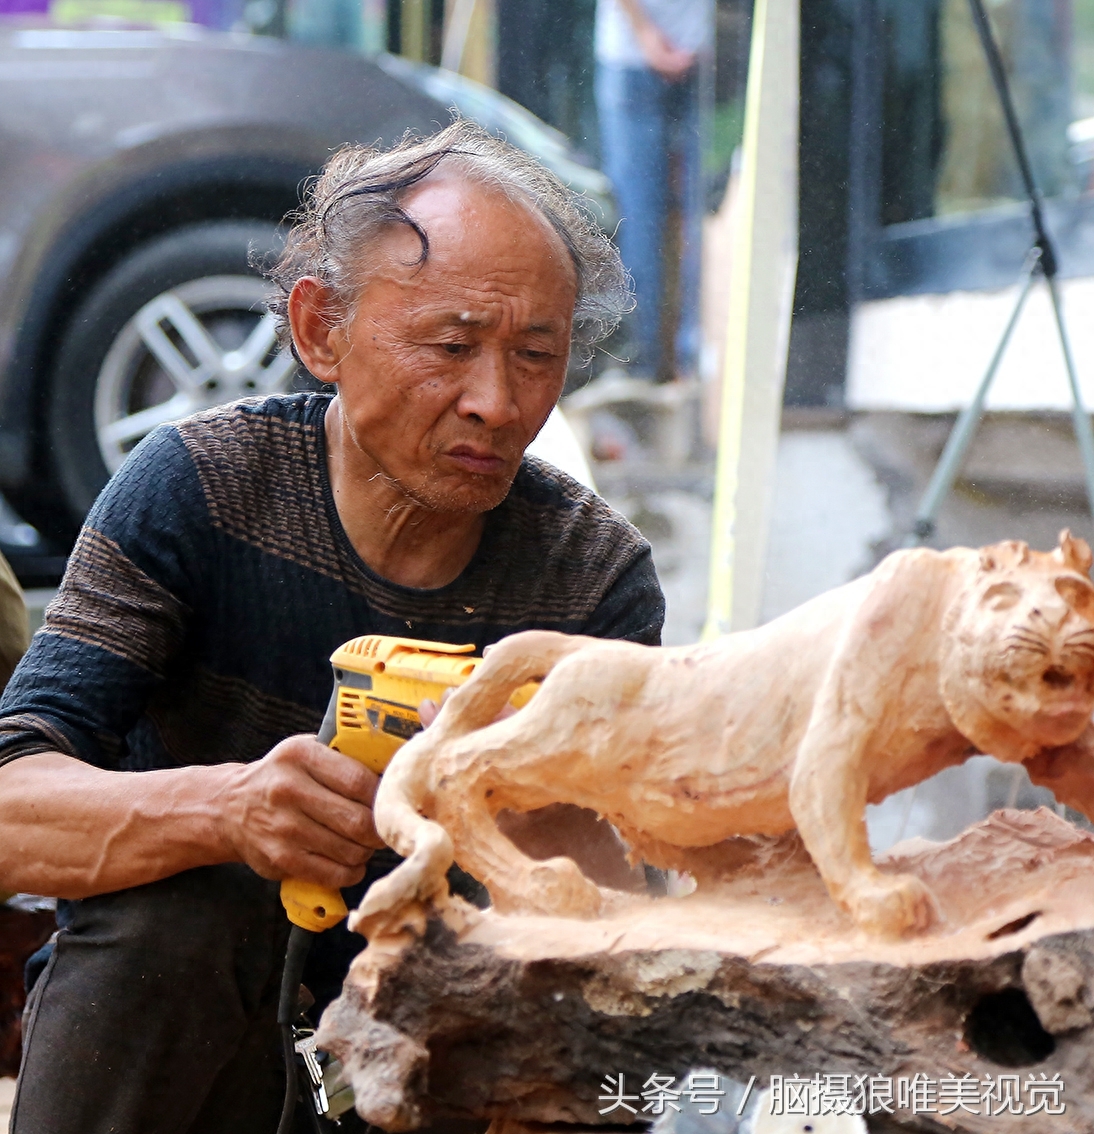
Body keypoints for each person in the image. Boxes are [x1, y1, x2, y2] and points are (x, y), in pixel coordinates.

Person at [0, 119, 664, 1134]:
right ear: (321, 330)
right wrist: (225, 810)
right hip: (181, 1050)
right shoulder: (197, 489)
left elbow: (618, 900)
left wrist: (506, 792)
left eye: (537, 356)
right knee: (176, 916)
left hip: (434, 1058)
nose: (495, 401)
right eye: (451, 345)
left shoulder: (590, 580)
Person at [594, 0, 712, 382]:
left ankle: (646, 368)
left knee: (649, 218)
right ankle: (681, 364)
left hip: (676, 55)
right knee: (653, 220)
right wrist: (646, 32)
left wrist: (644, 32)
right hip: (667, 52)